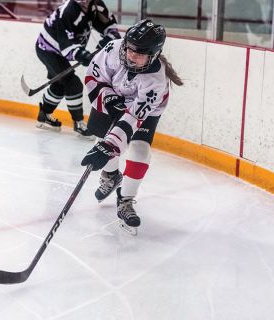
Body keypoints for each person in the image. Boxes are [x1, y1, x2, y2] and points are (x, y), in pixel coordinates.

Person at [81, 19, 183, 234]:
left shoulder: (155, 81)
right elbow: (92, 78)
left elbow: (133, 119)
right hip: (110, 96)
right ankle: (111, 176)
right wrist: (109, 100)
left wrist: (112, 144)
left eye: (139, 53)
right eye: (130, 49)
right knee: (103, 138)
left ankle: (126, 199)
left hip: (142, 110)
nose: (131, 55)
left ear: (153, 54)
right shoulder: (114, 48)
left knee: (138, 148)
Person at [35, 0, 121, 139]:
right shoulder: (68, 12)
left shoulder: (96, 5)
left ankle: (44, 115)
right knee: (72, 83)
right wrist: (81, 54)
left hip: (59, 50)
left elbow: (110, 26)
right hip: (48, 49)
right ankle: (78, 123)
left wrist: (110, 39)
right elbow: (67, 45)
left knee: (60, 84)